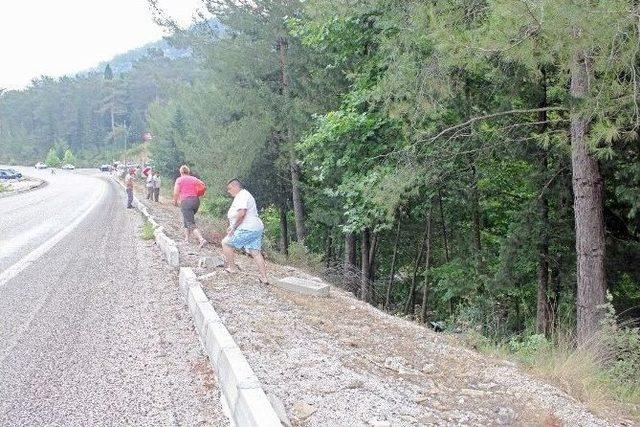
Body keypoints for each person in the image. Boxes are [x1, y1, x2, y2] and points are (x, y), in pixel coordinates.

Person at [221, 179, 268, 284]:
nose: (228, 191)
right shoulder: (245, 195)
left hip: (248, 228)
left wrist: (233, 227)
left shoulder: (241, 195)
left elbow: (242, 213)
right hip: (256, 227)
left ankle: (232, 268)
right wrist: (232, 225)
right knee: (255, 252)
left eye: (229, 188)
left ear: (236, 186)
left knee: (226, 243)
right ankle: (264, 278)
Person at [173, 165, 207, 248]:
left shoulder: (179, 180)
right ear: (188, 172)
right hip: (196, 201)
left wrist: (175, 200)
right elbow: (203, 185)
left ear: (181, 172)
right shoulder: (194, 178)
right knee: (187, 219)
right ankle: (186, 239)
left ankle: (201, 239)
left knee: (190, 222)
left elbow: (176, 192)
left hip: (186, 201)